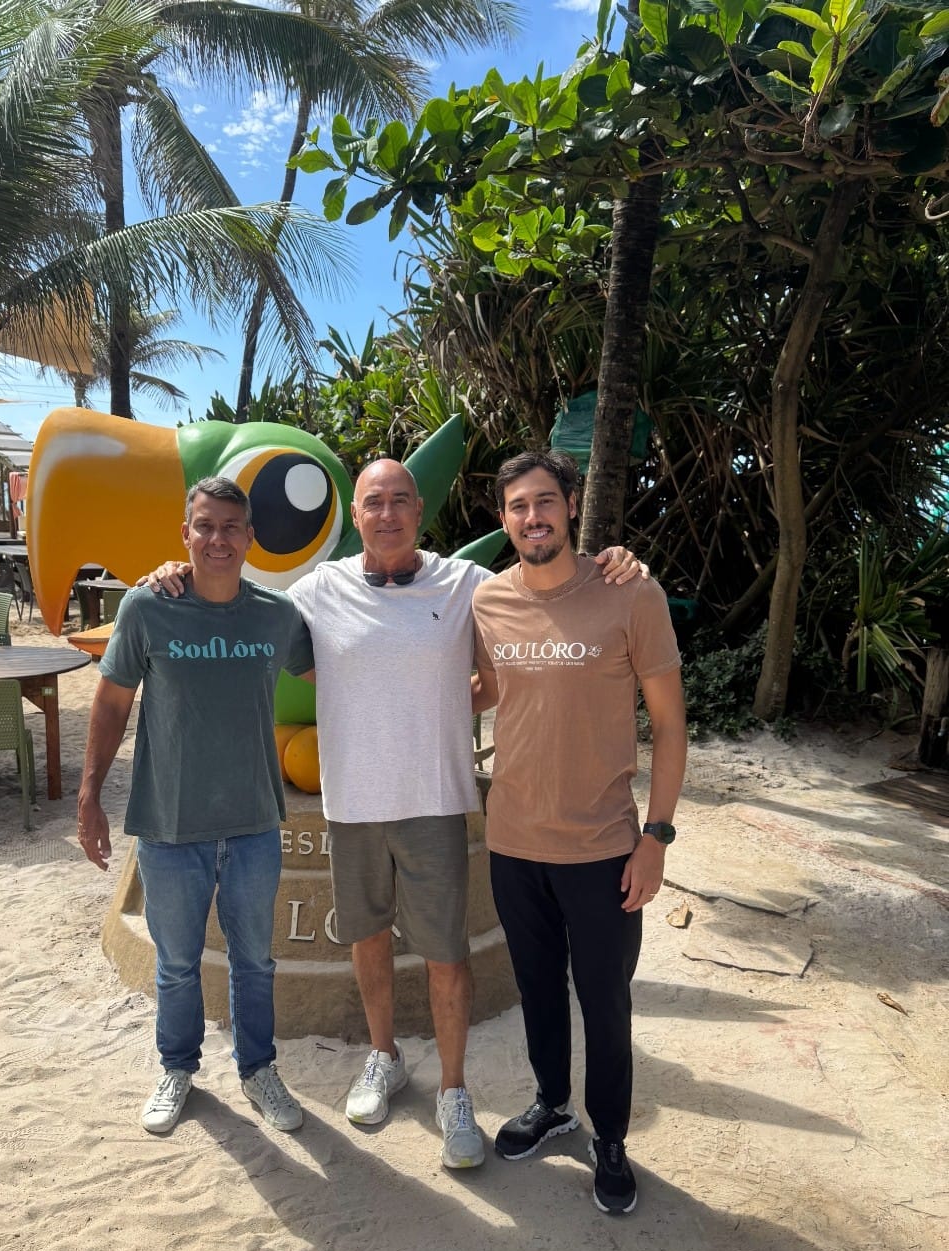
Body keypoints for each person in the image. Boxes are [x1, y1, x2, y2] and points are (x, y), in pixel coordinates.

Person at [145, 457, 642, 1169]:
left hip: (434, 800)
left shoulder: (466, 584)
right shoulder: (318, 589)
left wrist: (614, 563)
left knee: (446, 953)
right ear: (355, 515)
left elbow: (538, 603)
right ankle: (384, 1057)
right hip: (352, 804)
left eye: (400, 500)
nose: (387, 514)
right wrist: (173, 572)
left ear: (419, 511)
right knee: (368, 939)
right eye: (373, 502)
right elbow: (234, 598)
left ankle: (454, 1090)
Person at [471, 449, 686, 1215]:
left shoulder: (630, 592)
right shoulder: (488, 600)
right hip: (513, 842)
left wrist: (656, 836)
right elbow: (487, 687)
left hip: (603, 848)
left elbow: (670, 725)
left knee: (605, 1000)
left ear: (570, 504)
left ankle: (612, 1138)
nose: (532, 517)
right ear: (504, 520)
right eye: (517, 506)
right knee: (536, 988)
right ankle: (552, 1103)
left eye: (543, 501)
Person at [77, 476, 315, 1137]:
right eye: (204, 525)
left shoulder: (275, 616)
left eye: (230, 526)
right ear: (185, 534)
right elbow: (112, 702)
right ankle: (177, 1068)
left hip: (253, 825)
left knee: (255, 962)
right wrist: (90, 795)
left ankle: (258, 1069)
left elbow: (338, 668)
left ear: (250, 538)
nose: (217, 538)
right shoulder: (147, 607)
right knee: (177, 964)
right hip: (169, 824)